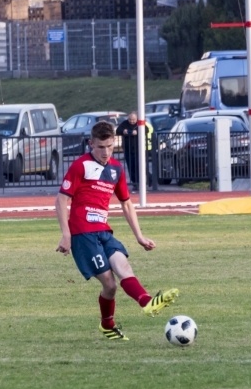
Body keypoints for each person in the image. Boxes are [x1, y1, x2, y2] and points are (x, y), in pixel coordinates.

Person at [55, 120, 180, 341]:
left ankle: (147, 302)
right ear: (91, 143)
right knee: (110, 285)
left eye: (110, 146)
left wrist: (139, 236)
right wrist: (66, 234)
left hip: (104, 231)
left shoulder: (116, 169)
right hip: (83, 234)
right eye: (101, 147)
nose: (105, 152)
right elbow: (62, 199)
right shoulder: (80, 166)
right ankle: (109, 324)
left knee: (123, 266)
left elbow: (126, 203)